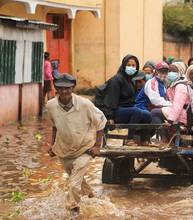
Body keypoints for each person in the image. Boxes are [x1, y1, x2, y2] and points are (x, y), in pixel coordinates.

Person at [46, 74, 107, 218]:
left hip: (84, 149)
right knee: (77, 180)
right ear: (56, 89)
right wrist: (53, 145)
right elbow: (55, 126)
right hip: (64, 150)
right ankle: (92, 200)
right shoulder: (50, 105)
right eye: (60, 88)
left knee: (73, 184)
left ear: (72, 88)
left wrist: (97, 145)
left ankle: (73, 212)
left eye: (67, 88)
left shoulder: (85, 104)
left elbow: (101, 122)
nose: (64, 92)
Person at [102, 54, 152, 145]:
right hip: (117, 111)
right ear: (124, 65)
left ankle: (144, 140)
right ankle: (130, 139)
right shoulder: (117, 79)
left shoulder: (130, 80)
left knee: (147, 114)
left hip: (127, 110)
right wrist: (109, 117)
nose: (131, 67)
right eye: (129, 65)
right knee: (136, 111)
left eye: (133, 66)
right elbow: (111, 99)